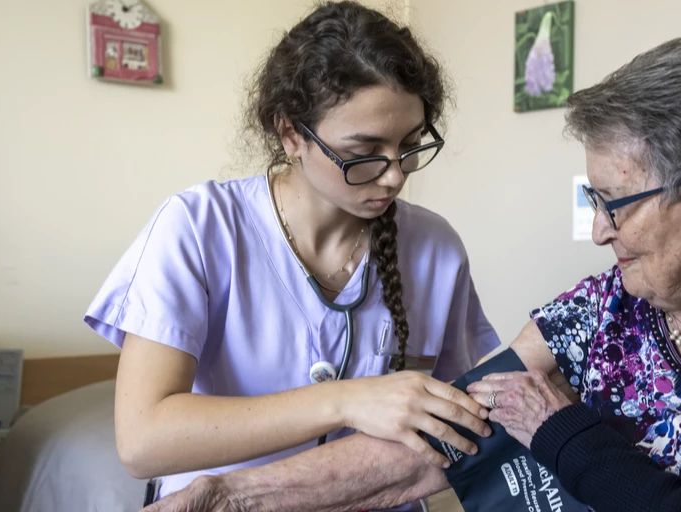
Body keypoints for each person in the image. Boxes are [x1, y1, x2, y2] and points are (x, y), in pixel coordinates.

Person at [145, 36, 681, 512]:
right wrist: (227, 496)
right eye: (594, 201)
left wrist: (560, 428)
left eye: (616, 203)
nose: (600, 232)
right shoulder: (603, 308)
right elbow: (439, 444)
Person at [84, 1, 499, 504]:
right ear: (290, 135)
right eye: (363, 152)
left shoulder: (436, 250)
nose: (394, 176)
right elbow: (143, 442)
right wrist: (344, 401)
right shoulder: (198, 228)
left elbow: (456, 419)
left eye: (409, 145)